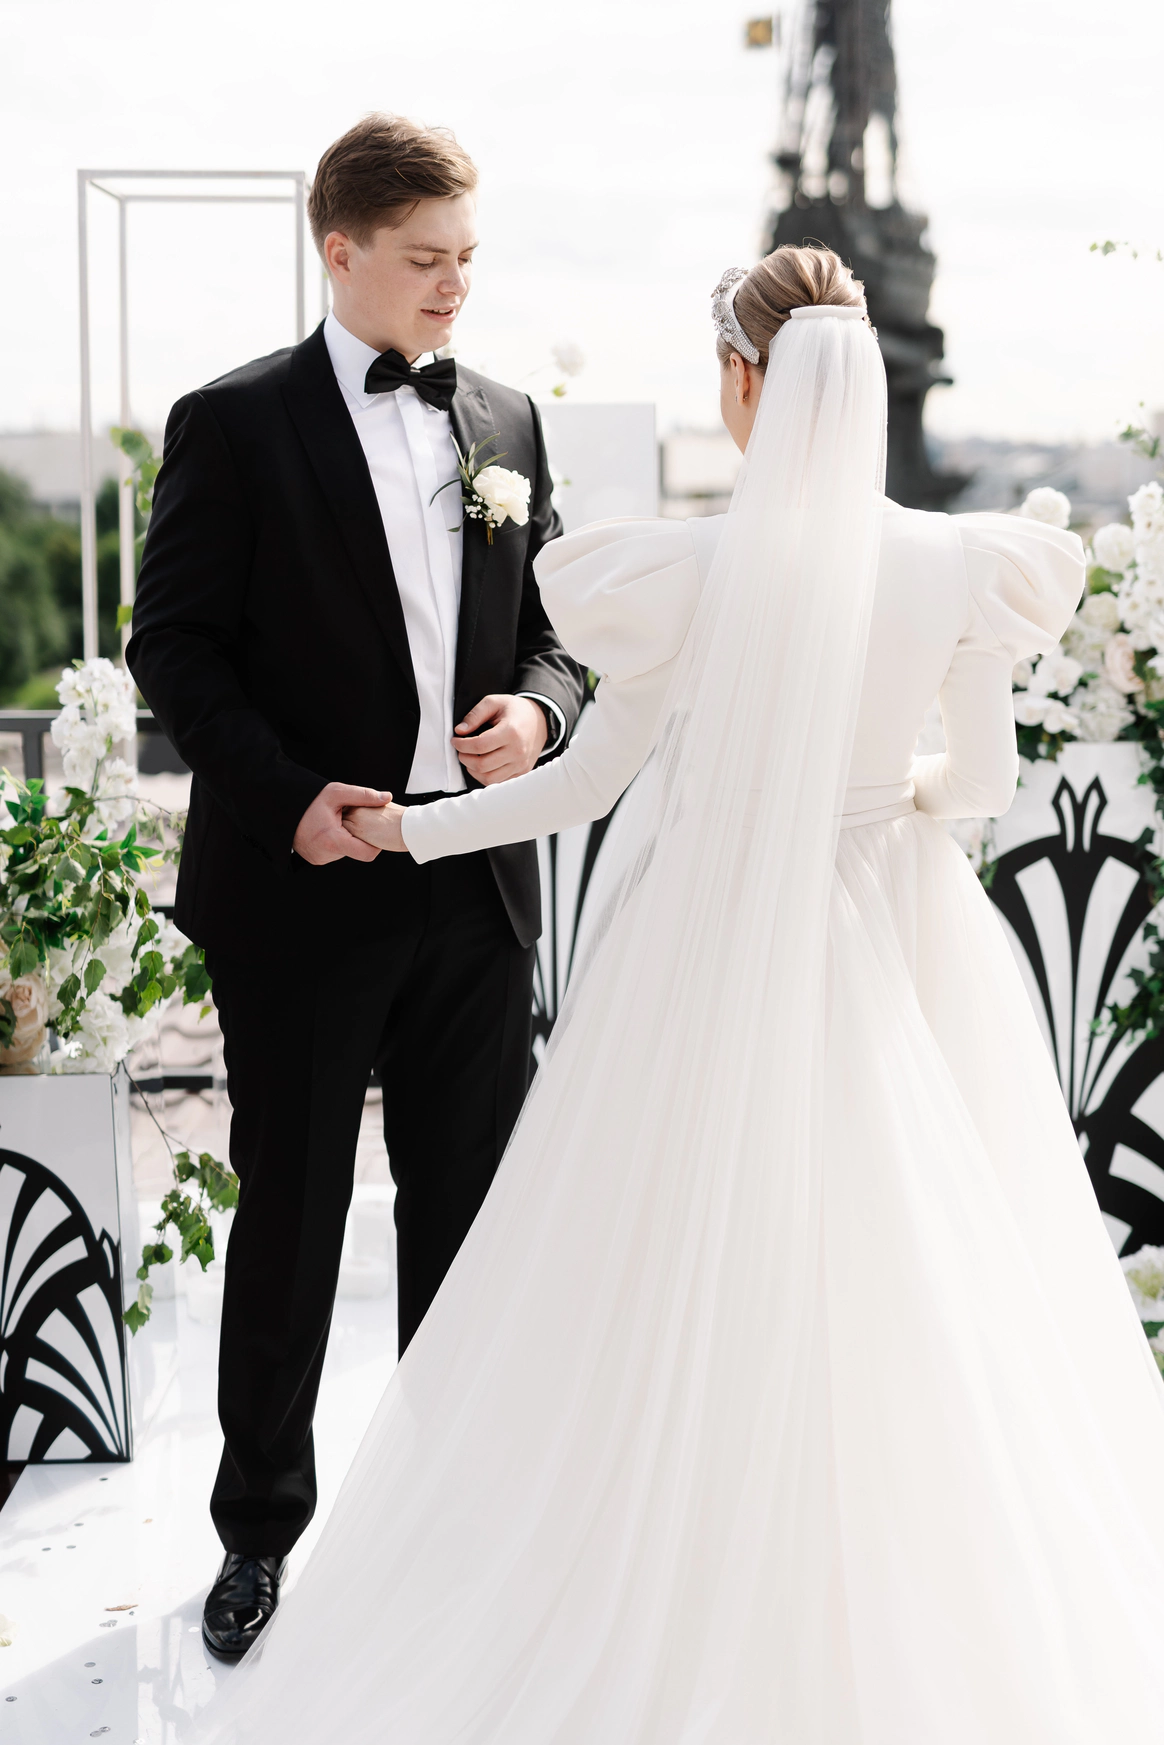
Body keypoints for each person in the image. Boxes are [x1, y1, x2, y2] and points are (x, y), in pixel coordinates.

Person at [194, 245, 1164, 1744]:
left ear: (743, 381)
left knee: (676, 1263)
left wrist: (412, 827)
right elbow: (978, 787)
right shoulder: (962, 565)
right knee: (908, 1259)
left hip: (704, 950)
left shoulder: (685, 572)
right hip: (897, 937)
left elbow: (579, 783)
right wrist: (878, 801)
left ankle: (674, 1569)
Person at [127, 113, 584, 1663]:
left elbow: (562, 636)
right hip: (303, 891)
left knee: (470, 1232)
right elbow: (174, 646)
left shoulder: (510, 418)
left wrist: (539, 716)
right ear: (342, 251)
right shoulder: (233, 422)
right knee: (294, 1217)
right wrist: (287, 803)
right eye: (426, 259)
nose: (456, 287)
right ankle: (257, 1538)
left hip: (476, 884)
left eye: (468, 259)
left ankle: (452, 1534)